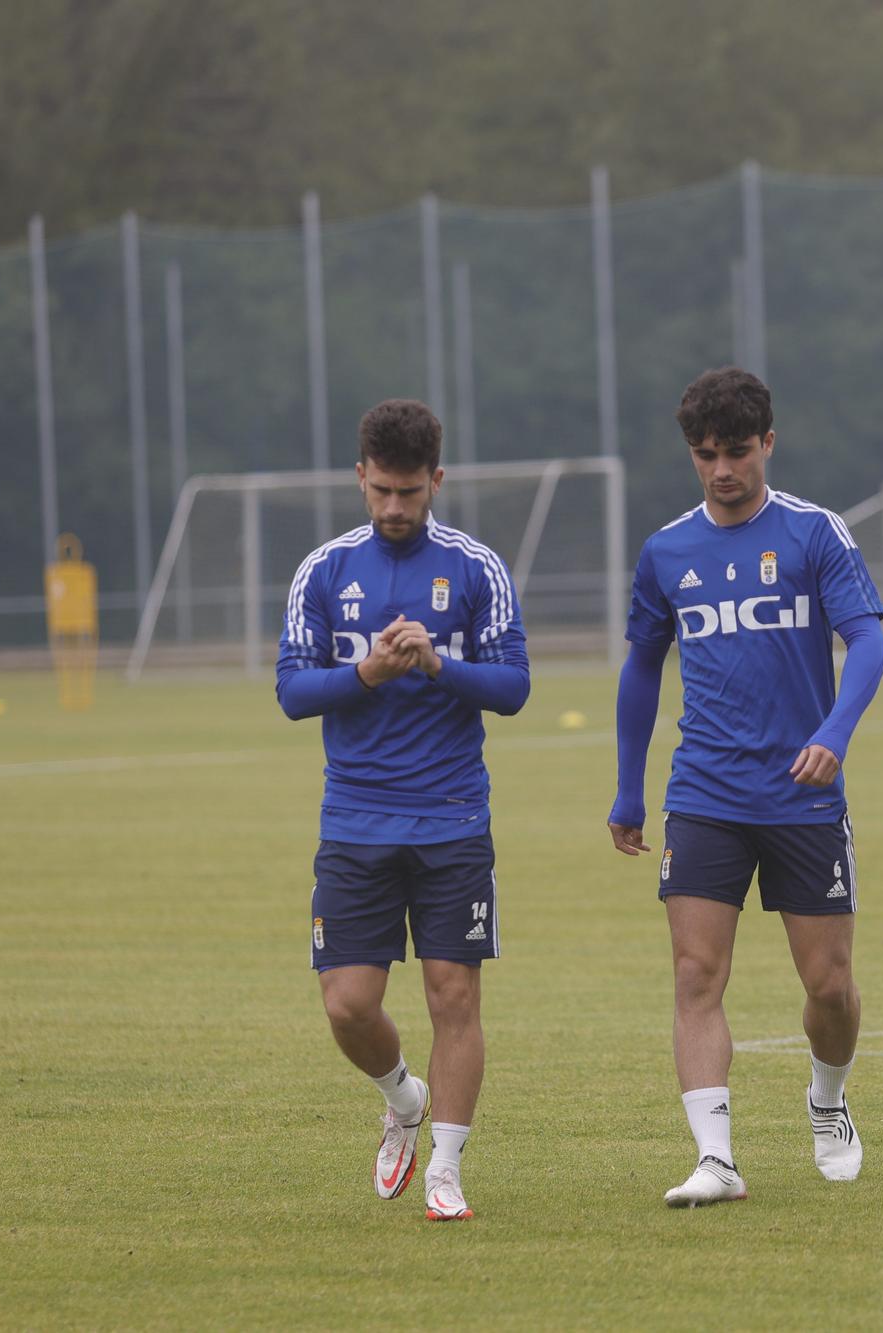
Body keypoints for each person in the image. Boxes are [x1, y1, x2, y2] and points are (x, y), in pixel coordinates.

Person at [607, 367, 883, 1208]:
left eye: (736, 452)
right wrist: (630, 789)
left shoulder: (815, 535)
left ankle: (828, 1100)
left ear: (768, 443)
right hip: (704, 794)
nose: (721, 469)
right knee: (696, 973)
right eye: (705, 455)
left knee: (828, 985)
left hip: (802, 796)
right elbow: (640, 670)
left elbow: (867, 643)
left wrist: (833, 735)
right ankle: (716, 1158)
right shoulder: (667, 551)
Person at [275, 398, 530, 1222]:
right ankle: (403, 1097)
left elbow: (515, 686)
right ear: (360, 477)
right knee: (347, 1003)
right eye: (381, 490)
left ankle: (446, 1169)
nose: (393, 507)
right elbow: (289, 691)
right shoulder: (323, 570)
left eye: (409, 493)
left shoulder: (477, 568)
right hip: (354, 822)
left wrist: (437, 664)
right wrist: (370, 675)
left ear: (436, 482)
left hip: (453, 818)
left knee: (454, 997)